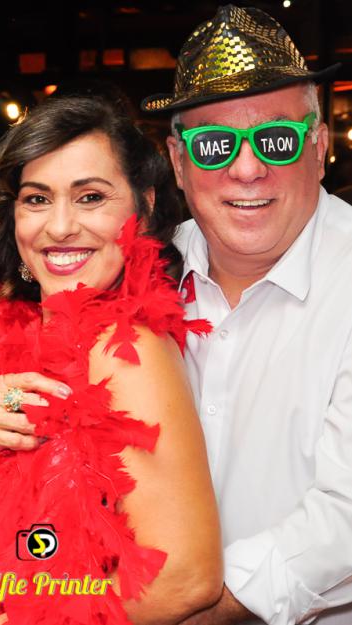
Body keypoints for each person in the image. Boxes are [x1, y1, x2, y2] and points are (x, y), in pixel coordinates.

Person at [0, 94, 222, 625]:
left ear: (144, 207)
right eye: (37, 199)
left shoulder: (127, 349)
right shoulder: (0, 335)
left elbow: (185, 577)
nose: (59, 227)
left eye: (90, 197)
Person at [142, 4, 351, 624]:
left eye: (276, 140)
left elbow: (344, 517)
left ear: (318, 146)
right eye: (213, 145)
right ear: (178, 163)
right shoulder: (138, 274)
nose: (247, 169)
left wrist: (181, 607)